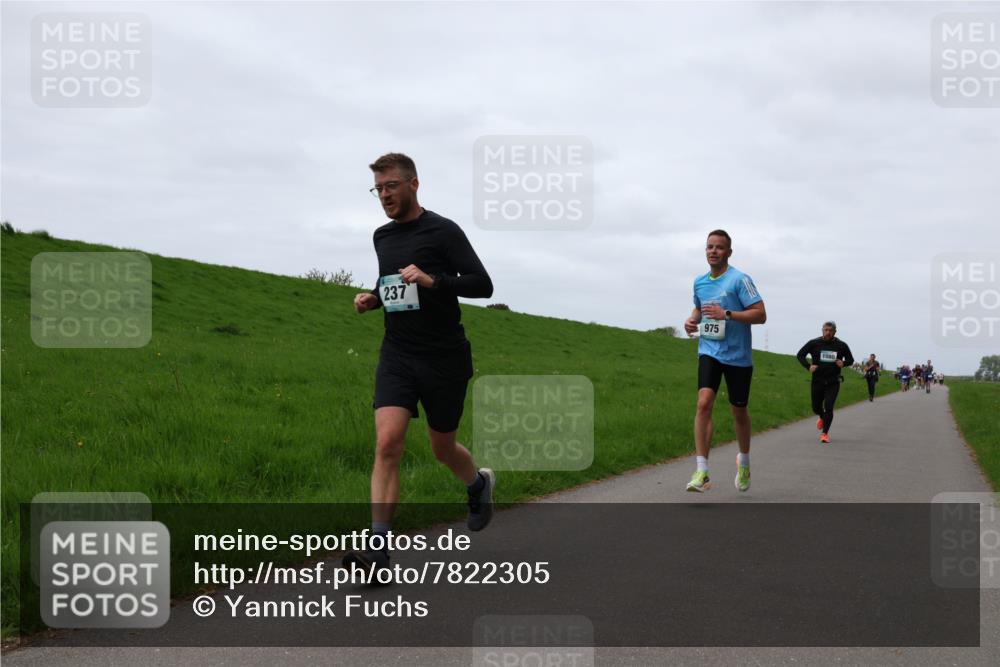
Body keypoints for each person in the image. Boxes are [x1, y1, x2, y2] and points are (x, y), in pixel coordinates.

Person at [344, 153, 495, 572]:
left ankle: (477, 485)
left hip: (444, 357)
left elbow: (482, 284)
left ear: (413, 184)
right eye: (378, 188)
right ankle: (377, 551)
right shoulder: (382, 237)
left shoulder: (444, 231)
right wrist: (374, 299)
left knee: (442, 448)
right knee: (387, 443)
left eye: (391, 186)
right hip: (398, 354)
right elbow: (391, 283)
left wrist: (433, 280)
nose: (384, 195)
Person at [683, 230, 767, 493]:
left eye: (719, 247)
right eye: (710, 247)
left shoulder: (740, 280)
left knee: (738, 412)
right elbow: (699, 307)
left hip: (738, 356)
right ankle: (702, 471)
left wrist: (727, 314)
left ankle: (744, 462)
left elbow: (760, 314)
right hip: (709, 350)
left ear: (729, 252)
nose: (713, 251)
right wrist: (692, 320)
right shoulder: (699, 282)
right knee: (703, 402)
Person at [797, 322, 855, 444]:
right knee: (816, 407)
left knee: (828, 406)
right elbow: (800, 355)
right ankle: (822, 417)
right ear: (822, 330)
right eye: (826, 330)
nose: (828, 332)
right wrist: (808, 366)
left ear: (835, 332)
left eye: (830, 330)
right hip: (817, 380)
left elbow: (851, 360)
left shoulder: (841, 345)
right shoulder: (814, 343)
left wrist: (843, 363)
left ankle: (824, 433)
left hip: (833, 381)